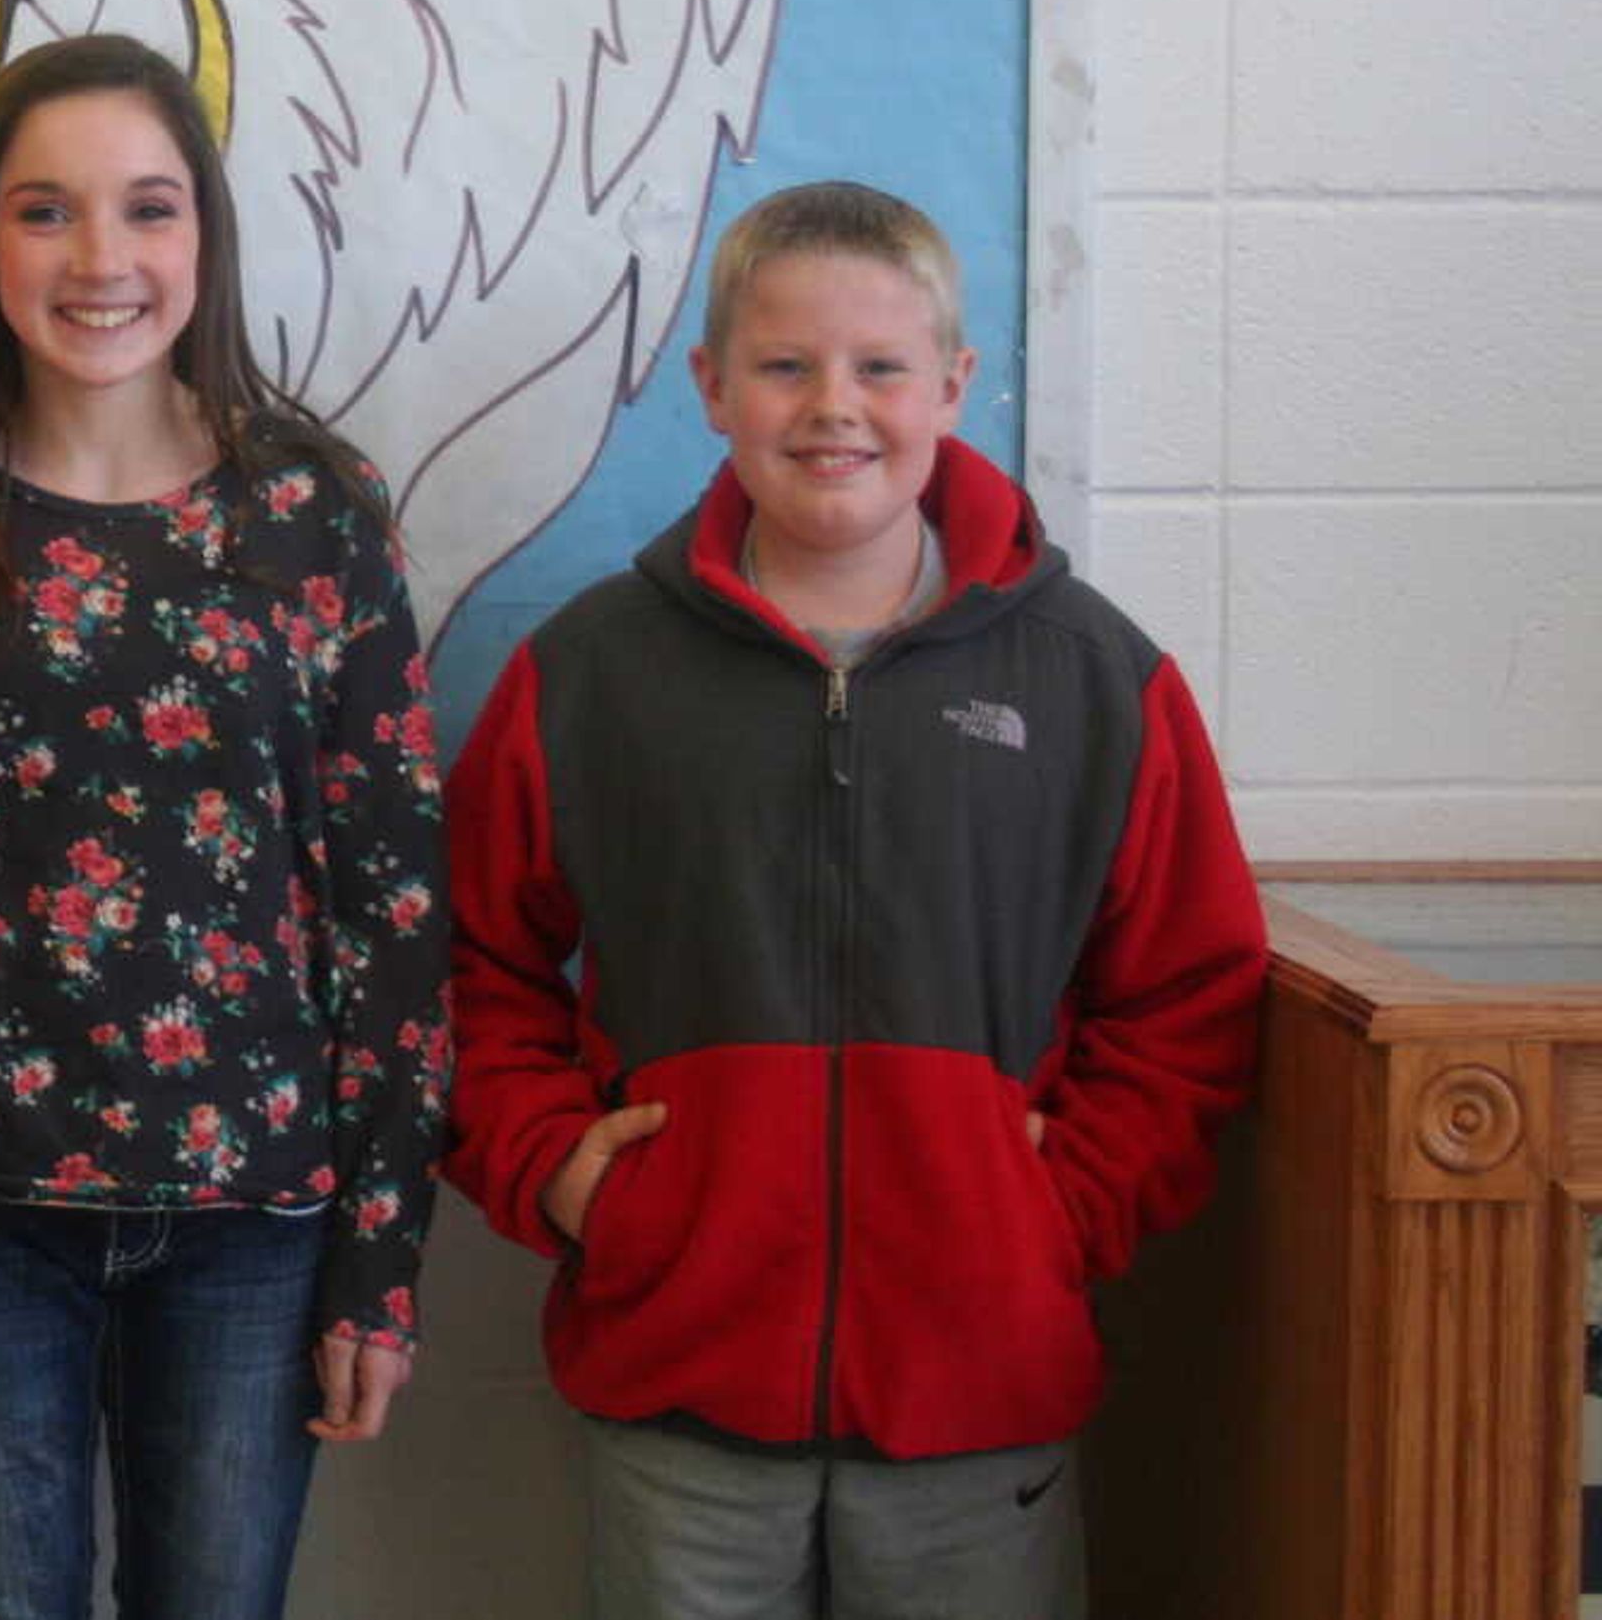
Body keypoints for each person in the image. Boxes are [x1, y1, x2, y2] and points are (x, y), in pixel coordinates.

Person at [445, 179, 1265, 1620]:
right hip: (682, 1400)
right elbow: (464, 964)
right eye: (784, 364)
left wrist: (1059, 1206)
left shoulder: (1091, 678)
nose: (835, 406)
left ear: (953, 383)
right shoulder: (590, 673)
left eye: (882, 366)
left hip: (980, 1405)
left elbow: (1190, 993)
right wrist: (566, 1173)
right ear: (710, 387)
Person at [0, 33, 451, 1620]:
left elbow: (395, 899)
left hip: (255, 1216)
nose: (102, 259)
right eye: (46, 211)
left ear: (204, 240)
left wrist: (383, 1246)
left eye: (147, 208)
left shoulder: (311, 511)